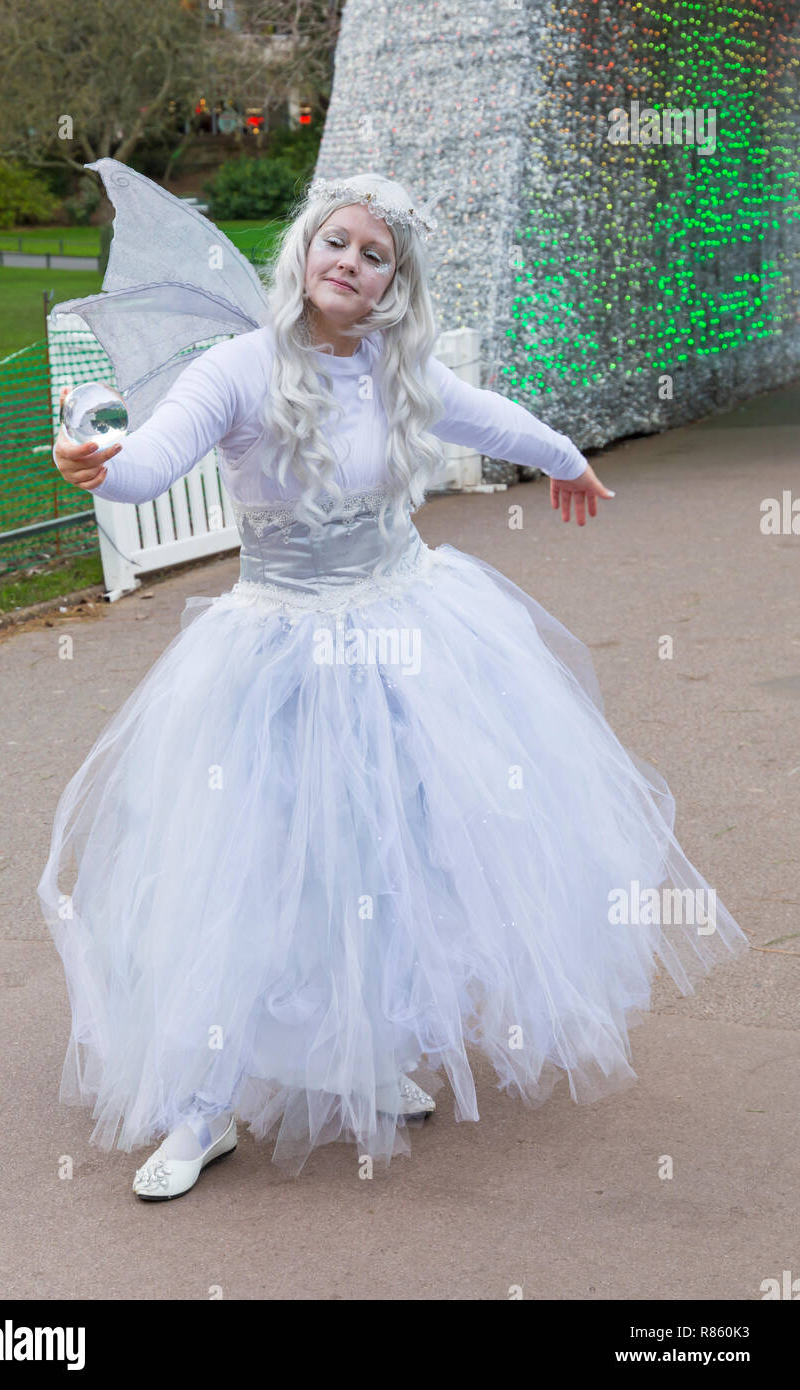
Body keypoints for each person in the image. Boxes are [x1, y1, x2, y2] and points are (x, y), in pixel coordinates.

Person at [38, 171, 747, 1199]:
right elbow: (150, 462)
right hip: (273, 653)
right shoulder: (238, 369)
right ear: (305, 251)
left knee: (384, 851)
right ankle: (202, 1105)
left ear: (392, 286)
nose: (350, 264)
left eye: (375, 256)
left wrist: (563, 460)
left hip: (404, 638)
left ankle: (362, 1054)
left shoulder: (393, 368)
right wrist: (97, 461)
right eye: (337, 243)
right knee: (251, 862)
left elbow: (486, 418)